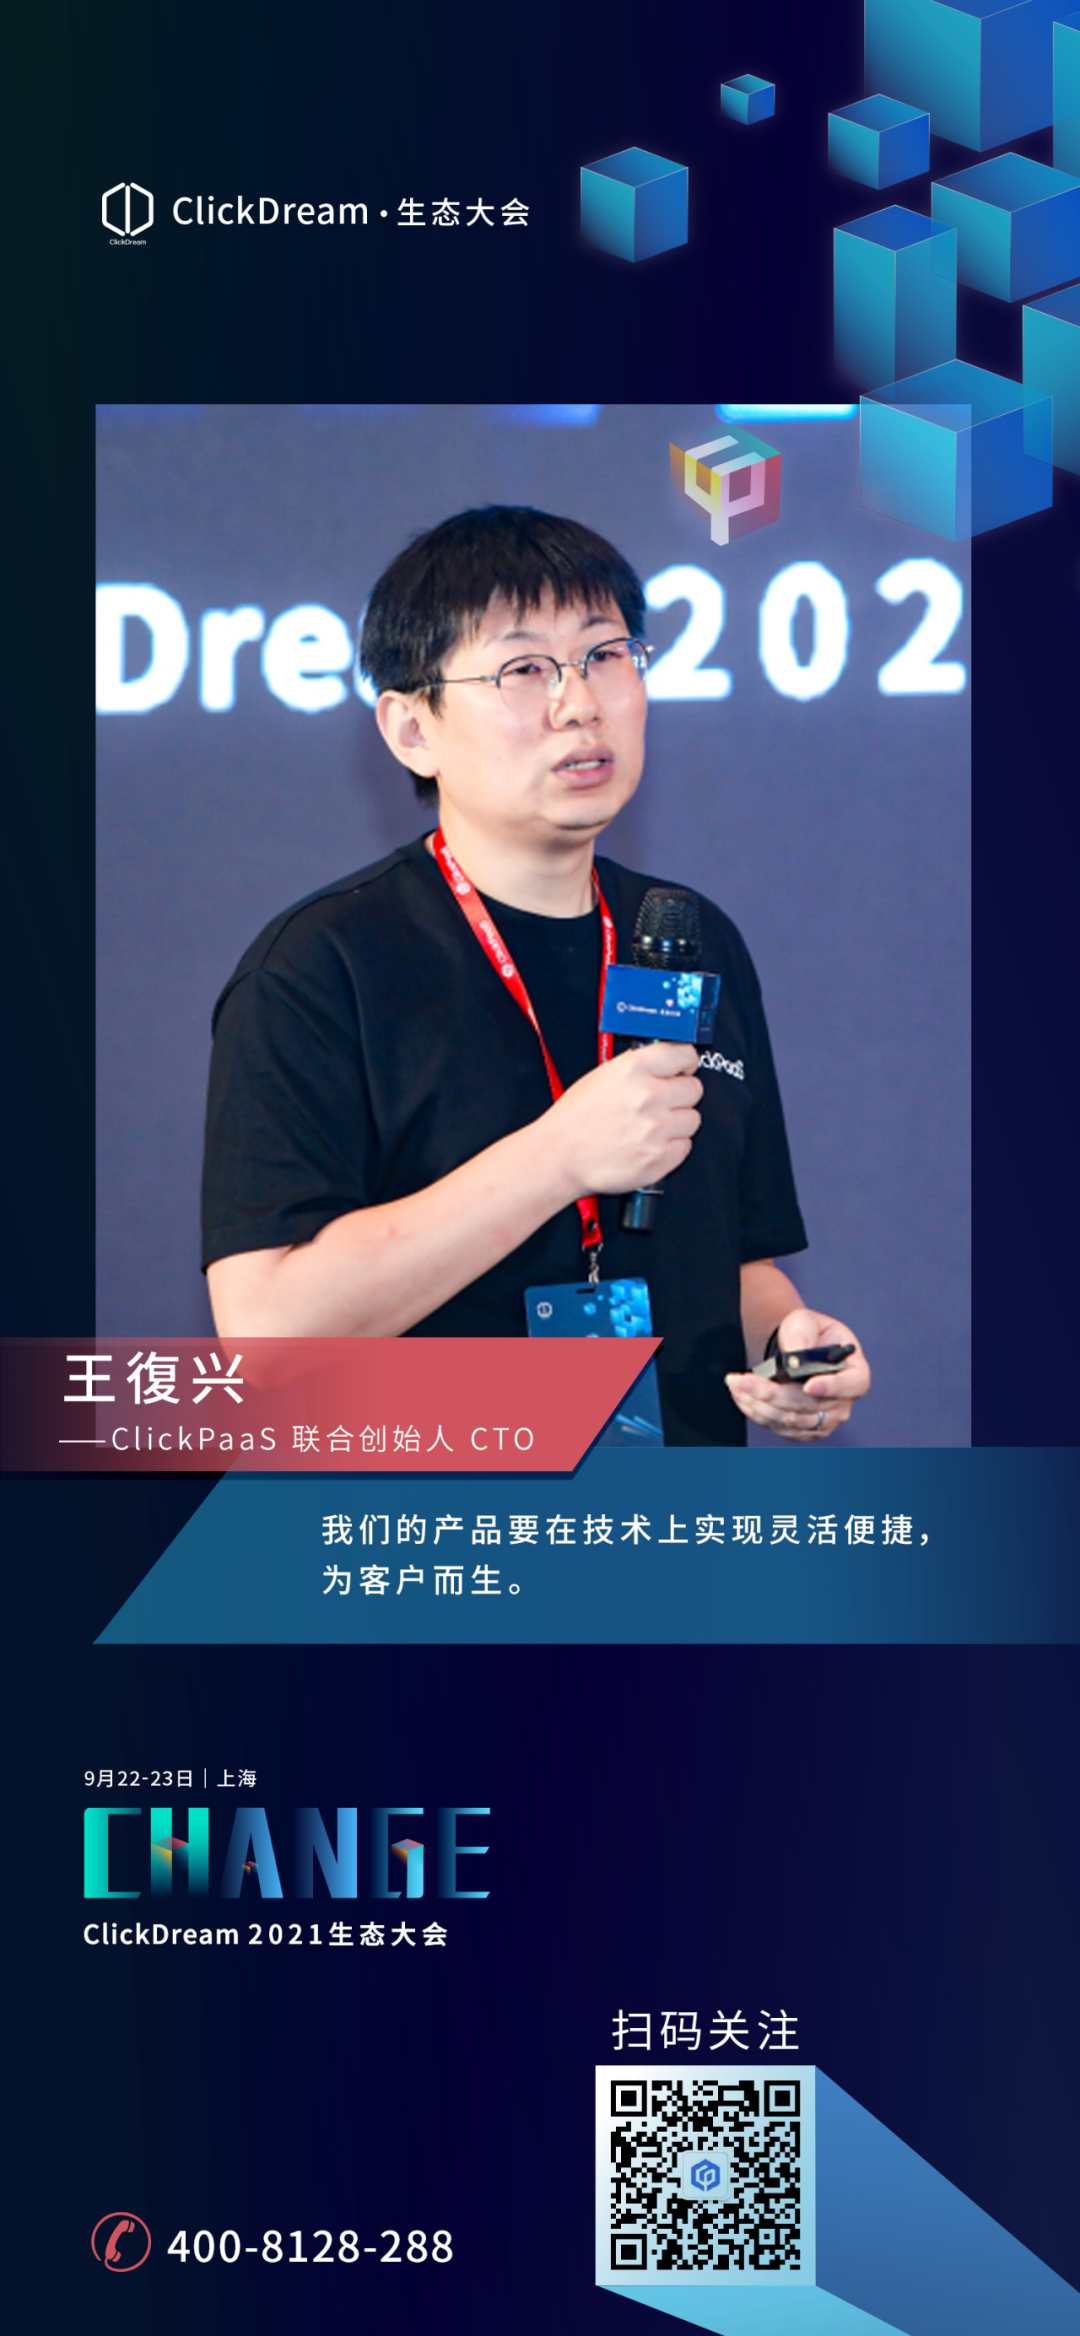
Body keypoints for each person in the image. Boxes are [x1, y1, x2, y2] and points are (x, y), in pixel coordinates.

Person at [202, 505, 870, 1446]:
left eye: (606, 655)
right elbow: (269, 1332)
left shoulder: (686, 938)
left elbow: (736, 1260)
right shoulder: (320, 967)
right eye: (523, 669)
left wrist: (786, 1344)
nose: (580, 702)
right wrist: (558, 1158)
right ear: (411, 728)